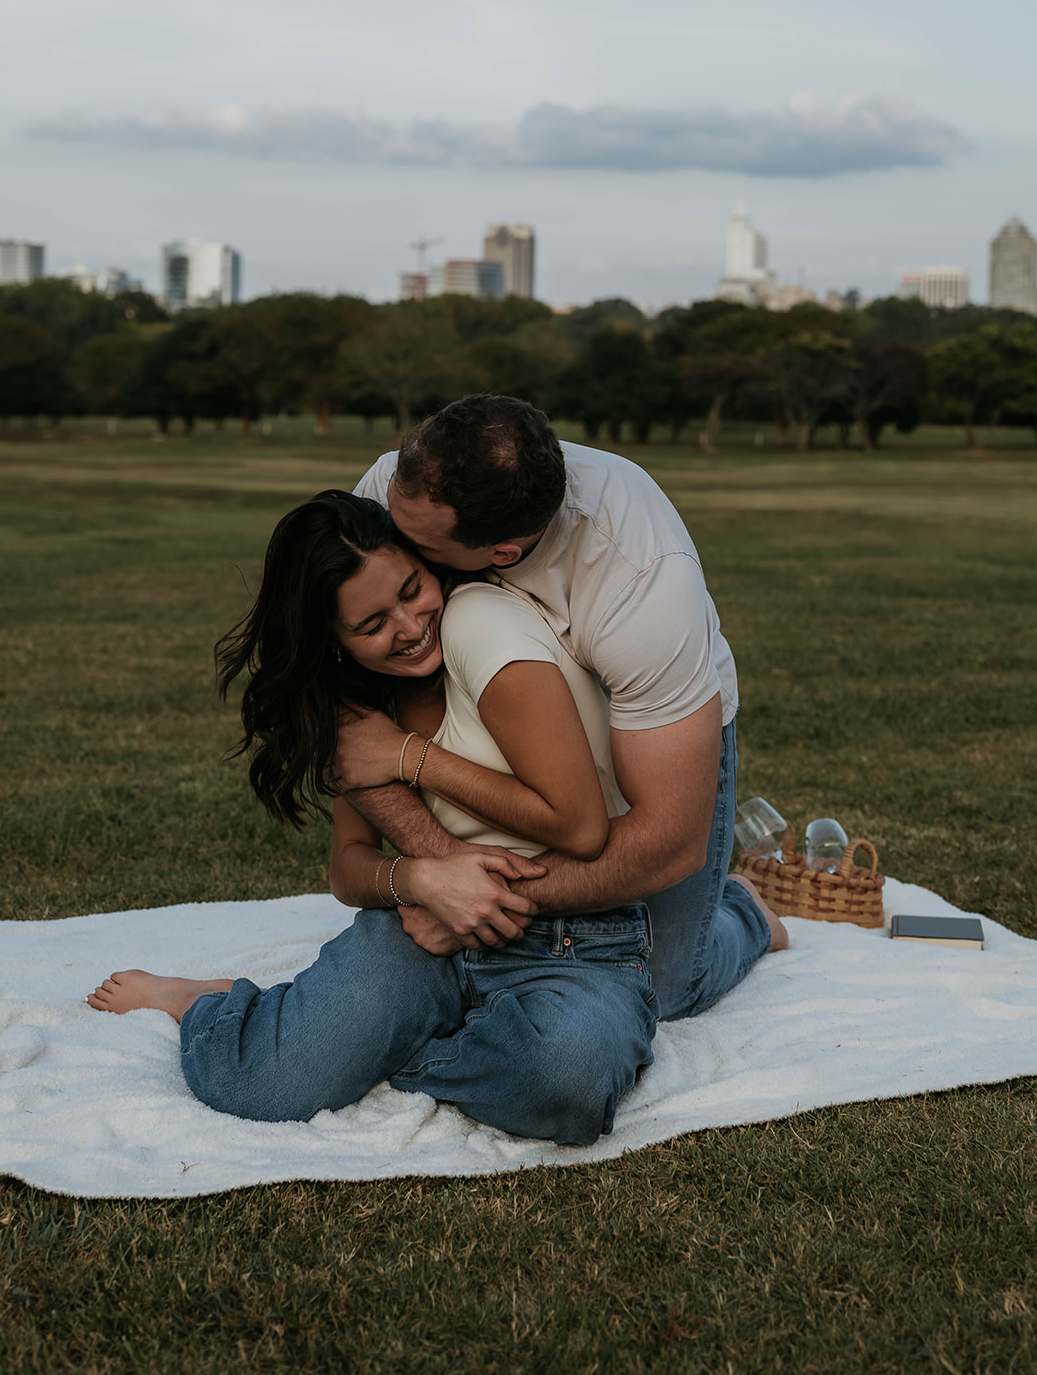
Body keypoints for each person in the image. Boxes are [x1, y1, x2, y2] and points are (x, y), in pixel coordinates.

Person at [88, 491, 663, 1146]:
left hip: (573, 944)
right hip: (420, 937)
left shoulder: (484, 631)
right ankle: (221, 1007)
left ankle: (337, 1033)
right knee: (264, 1087)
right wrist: (418, 882)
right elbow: (348, 866)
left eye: (413, 590)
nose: (410, 624)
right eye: (371, 625)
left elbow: (579, 827)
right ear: (332, 640)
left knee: (563, 1086)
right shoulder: (358, 709)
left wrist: (407, 756)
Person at [342, 394, 786, 1023]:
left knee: (661, 984)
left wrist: (481, 902)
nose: (388, 529)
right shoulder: (397, 489)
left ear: (500, 554)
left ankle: (743, 908)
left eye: (413, 544)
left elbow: (667, 842)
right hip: (484, 720)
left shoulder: (642, 579)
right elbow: (331, 699)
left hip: (637, 733)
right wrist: (439, 868)